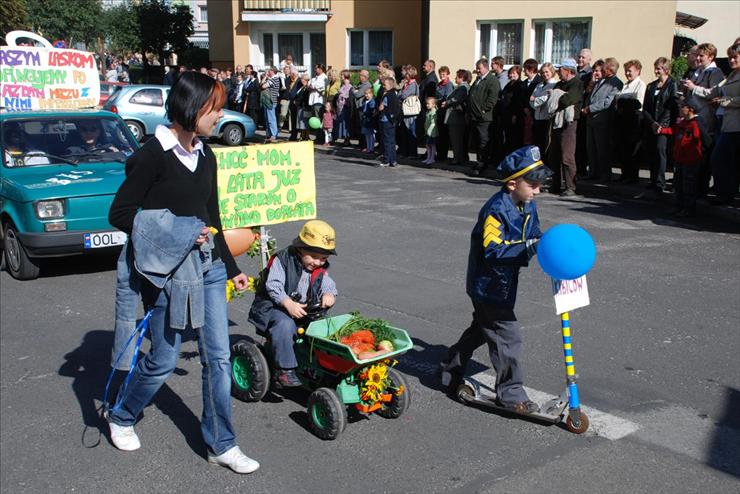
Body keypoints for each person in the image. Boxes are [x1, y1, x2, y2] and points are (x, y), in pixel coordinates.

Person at [106, 72, 258, 474]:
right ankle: (121, 414)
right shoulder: (151, 155)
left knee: (219, 358)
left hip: (207, 269)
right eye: (215, 108)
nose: (221, 115)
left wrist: (231, 268)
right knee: (163, 358)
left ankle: (221, 443)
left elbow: (214, 218)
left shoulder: (206, 155)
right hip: (168, 274)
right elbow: (120, 214)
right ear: (193, 108)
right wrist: (176, 235)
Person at [440, 145, 551, 413]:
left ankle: (449, 367)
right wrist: (531, 246)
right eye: (533, 184)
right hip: (487, 285)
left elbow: (534, 233)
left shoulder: (526, 205)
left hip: (504, 283)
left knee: (482, 328)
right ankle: (511, 393)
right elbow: (494, 250)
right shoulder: (495, 210)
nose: (538, 190)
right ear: (513, 184)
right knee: (506, 336)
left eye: (540, 184)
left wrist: (546, 244)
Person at [247, 220, 338, 388]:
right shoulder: (282, 260)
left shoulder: (318, 268)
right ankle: (285, 370)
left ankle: (316, 365)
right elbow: (273, 285)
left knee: (322, 326)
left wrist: (329, 294)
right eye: (314, 257)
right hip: (274, 307)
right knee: (285, 324)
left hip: (304, 309)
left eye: (323, 258)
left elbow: (327, 282)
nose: (318, 262)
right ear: (300, 248)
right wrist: (288, 303)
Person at [688, 43, 740, 205]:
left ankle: (726, 196)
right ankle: (724, 195)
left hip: (737, 125)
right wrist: (693, 88)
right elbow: (712, 92)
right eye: (730, 57)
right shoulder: (731, 76)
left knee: (723, 160)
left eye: (735, 57)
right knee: (721, 160)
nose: (731, 60)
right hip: (726, 124)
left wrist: (725, 101)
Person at [655, 100, 709, 216]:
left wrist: (700, 155)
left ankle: (688, 209)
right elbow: (674, 131)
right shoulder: (682, 122)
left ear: (690, 109)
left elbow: (705, 141)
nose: (679, 109)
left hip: (691, 160)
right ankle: (678, 206)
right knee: (678, 185)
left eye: (682, 107)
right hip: (679, 159)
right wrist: (662, 130)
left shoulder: (696, 123)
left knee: (688, 186)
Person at [548, 59, 584, 196]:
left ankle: (570, 186)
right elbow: (551, 100)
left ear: (569, 71)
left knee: (567, 156)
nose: (558, 72)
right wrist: (557, 96)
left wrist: (556, 95)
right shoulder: (559, 84)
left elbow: (567, 100)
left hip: (569, 123)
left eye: (560, 70)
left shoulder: (577, 84)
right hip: (557, 121)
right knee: (554, 156)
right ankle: (555, 184)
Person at [642, 57, 678, 193]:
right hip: (652, 124)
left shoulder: (672, 84)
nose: (656, 71)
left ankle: (660, 181)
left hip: (665, 125)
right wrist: (652, 122)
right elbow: (646, 107)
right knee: (651, 151)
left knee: (660, 150)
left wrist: (661, 124)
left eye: (659, 68)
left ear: (666, 69)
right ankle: (652, 180)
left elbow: (671, 106)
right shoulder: (651, 86)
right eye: (655, 68)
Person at [584, 57, 623, 181]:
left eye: (605, 67)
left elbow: (607, 102)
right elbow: (591, 95)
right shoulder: (600, 80)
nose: (602, 69)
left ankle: (604, 175)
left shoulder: (616, 83)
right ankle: (593, 173)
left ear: (610, 69)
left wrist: (590, 108)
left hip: (602, 120)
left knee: (602, 149)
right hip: (591, 120)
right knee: (591, 148)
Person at [468, 58, 501, 176]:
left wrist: (483, 110)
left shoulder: (491, 80)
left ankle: (483, 163)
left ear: (486, 68)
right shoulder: (478, 79)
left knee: (484, 141)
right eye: (477, 68)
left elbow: (492, 98)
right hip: (474, 116)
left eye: (479, 68)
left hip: (485, 118)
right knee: (477, 141)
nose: (477, 71)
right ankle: (479, 161)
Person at [616, 59, 647, 183]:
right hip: (623, 120)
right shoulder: (625, 85)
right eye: (626, 71)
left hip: (634, 121)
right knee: (623, 149)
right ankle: (624, 174)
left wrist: (624, 101)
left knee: (632, 149)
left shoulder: (640, 85)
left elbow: (638, 103)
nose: (627, 73)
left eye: (630, 71)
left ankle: (632, 176)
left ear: (637, 71)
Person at [529, 63, 557, 164]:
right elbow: (530, 101)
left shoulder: (554, 85)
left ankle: (546, 164)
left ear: (552, 72)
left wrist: (535, 100)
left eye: (547, 72)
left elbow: (545, 99)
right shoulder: (539, 85)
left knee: (546, 144)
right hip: (537, 117)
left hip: (546, 118)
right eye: (543, 72)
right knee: (537, 144)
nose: (545, 74)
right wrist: (535, 101)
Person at [444, 69, 471, 165]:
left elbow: (457, 99)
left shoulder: (462, 88)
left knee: (456, 139)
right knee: (459, 139)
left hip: (456, 117)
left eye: (457, 76)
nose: (455, 78)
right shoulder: (462, 87)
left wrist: (447, 102)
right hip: (458, 117)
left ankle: (457, 159)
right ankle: (460, 158)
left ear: (462, 78)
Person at [377, 76, 400, 168]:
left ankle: (386, 160)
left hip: (385, 120)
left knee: (386, 141)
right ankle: (393, 160)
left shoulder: (387, 95)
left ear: (390, 85)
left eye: (384, 84)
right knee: (392, 142)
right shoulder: (395, 94)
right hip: (392, 121)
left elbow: (381, 107)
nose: (383, 86)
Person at [398, 65, 420, 159]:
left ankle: (412, 153)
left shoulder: (412, 85)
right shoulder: (407, 84)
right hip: (405, 111)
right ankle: (405, 152)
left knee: (410, 132)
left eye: (406, 73)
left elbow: (402, 95)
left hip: (410, 112)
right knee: (405, 133)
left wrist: (401, 90)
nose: (405, 75)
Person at [500, 65, 522, 153]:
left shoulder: (519, 85)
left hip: (513, 115)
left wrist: (515, 114)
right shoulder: (508, 84)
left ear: (518, 74)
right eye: (510, 74)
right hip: (505, 114)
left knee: (513, 137)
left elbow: (517, 101)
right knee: (507, 136)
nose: (511, 75)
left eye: (514, 73)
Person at [435, 66, 454, 161]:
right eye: (440, 74)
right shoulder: (439, 84)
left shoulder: (449, 85)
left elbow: (447, 97)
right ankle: (439, 154)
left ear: (447, 74)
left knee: (443, 134)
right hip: (438, 110)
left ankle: (443, 155)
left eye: (444, 74)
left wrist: (437, 101)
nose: (442, 76)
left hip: (444, 111)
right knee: (438, 133)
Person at [353, 69, 373, 149]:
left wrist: (355, 91)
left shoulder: (367, 85)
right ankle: (361, 143)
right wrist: (355, 90)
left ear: (365, 77)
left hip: (362, 108)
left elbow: (357, 94)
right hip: (358, 107)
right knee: (359, 126)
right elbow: (353, 89)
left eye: (361, 75)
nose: (359, 77)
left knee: (363, 126)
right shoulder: (360, 84)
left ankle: (364, 145)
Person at [260, 66, 281, 143]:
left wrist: (265, 77)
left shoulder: (274, 79)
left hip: (271, 102)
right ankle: (269, 134)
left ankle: (273, 135)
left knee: (271, 119)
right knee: (267, 119)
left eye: (269, 71)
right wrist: (266, 77)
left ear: (272, 71)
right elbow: (261, 84)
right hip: (267, 101)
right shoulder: (272, 79)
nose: (268, 73)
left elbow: (263, 85)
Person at [334, 70, 353, 146]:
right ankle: (345, 138)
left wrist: (341, 94)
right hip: (341, 107)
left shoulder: (349, 86)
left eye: (342, 75)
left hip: (345, 107)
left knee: (346, 124)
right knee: (343, 123)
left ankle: (347, 139)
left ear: (345, 76)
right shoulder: (343, 85)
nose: (341, 77)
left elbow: (348, 96)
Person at [422, 97, 439, 165]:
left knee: (432, 145)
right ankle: (428, 157)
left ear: (434, 104)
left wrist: (429, 131)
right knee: (427, 145)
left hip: (432, 132)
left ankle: (432, 158)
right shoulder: (428, 112)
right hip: (427, 132)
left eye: (428, 104)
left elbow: (433, 123)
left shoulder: (434, 112)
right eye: (426, 104)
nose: (427, 105)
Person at [360, 87, 376, 153]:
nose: (366, 95)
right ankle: (368, 147)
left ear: (372, 94)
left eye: (368, 94)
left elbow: (372, 110)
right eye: (365, 94)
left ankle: (371, 148)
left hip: (370, 120)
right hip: (365, 120)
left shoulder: (372, 101)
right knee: (367, 135)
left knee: (371, 135)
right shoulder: (365, 102)